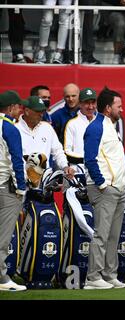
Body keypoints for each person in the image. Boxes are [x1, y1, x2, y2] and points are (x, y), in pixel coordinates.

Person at [83, 87, 125, 290]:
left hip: (118, 189)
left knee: (113, 235)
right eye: (119, 106)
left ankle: (110, 275)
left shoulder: (111, 126)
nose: (122, 109)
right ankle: (93, 277)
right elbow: (90, 160)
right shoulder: (95, 127)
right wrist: (102, 183)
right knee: (102, 234)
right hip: (104, 189)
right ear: (108, 108)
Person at [0, 92, 27, 292]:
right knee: (3, 235)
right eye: (18, 107)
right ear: (10, 108)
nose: (20, 110)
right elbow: (16, 160)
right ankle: (1, 277)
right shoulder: (9, 127)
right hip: (6, 187)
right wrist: (21, 188)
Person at [16, 96, 74, 178]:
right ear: (27, 111)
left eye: (43, 111)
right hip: (22, 183)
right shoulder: (15, 129)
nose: (41, 114)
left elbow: (58, 151)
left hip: (45, 184)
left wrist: (65, 166)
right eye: (38, 111)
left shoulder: (47, 128)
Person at [63, 88, 97, 172]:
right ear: (80, 104)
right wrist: (87, 160)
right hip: (78, 172)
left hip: (99, 172)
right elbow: (66, 151)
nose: (90, 107)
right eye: (87, 103)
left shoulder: (102, 123)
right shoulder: (71, 124)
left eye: (93, 103)